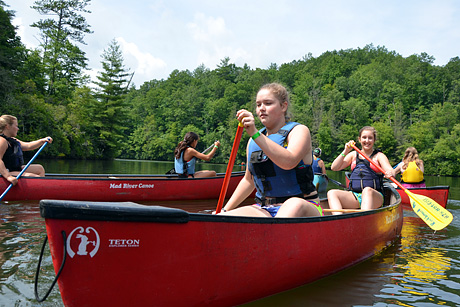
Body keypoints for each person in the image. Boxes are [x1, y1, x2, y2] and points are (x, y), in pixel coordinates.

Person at [218, 83, 322, 218]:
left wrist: (255, 133)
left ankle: (274, 231)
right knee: (225, 218)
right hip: (265, 208)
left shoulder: (299, 131)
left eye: (267, 103)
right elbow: (248, 181)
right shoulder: (253, 141)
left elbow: (288, 162)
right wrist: (224, 211)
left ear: (283, 106)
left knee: (293, 204)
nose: (261, 109)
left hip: (303, 204)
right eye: (258, 104)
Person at [327, 126, 394, 215]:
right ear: (359, 139)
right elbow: (334, 167)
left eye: (370, 138)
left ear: (374, 140)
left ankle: (363, 219)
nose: (367, 141)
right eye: (364, 137)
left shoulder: (379, 156)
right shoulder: (353, 155)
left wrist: (390, 173)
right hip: (355, 196)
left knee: (367, 191)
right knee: (332, 193)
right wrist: (346, 150)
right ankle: (338, 220)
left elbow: (390, 170)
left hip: (374, 196)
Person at [0, 114, 53, 186]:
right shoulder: (2, 141)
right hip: (5, 172)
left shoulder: (12, 141)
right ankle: (37, 188)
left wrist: (42, 141)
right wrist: (8, 176)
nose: (18, 128)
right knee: (34, 177)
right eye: (16, 126)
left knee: (39, 169)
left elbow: (28, 146)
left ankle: (40, 189)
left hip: (14, 169)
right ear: (7, 126)